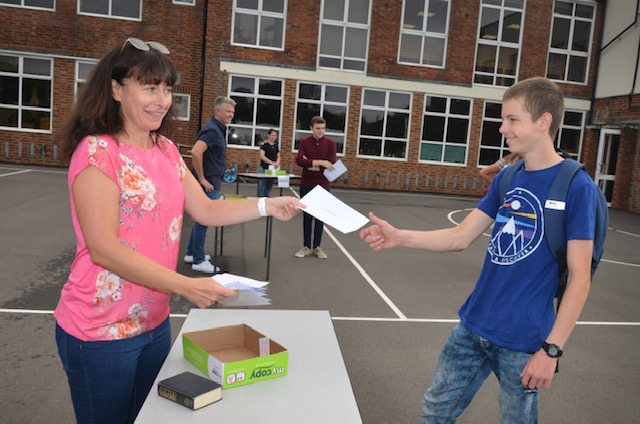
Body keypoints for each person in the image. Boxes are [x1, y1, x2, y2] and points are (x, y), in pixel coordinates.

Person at [55, 38, 302, 424]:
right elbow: (103, 249)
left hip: (153, 325)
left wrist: (265, 205)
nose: (162, 99)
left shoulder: (166, 149)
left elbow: (204, 207)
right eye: (150, 87)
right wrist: (186, 285)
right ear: (117, 89)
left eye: (167, 89)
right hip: (99, 330)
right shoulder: (97, 153)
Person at [360, 77, 598, 423]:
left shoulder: (577, 186)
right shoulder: (507, 178)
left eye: (513, 120)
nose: (503, 129)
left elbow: (580, 277)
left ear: (544, 122)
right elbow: (460, 236)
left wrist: (552, 350)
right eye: (503, 120)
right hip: (472, 327)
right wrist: (400, 236)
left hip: (524, 339)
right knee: (433, 413)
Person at [184, 96, 236, 273]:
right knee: (203, 220)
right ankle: (198, 261)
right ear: (218, 111)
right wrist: (202, 179)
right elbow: (196, 152)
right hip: (208, 184)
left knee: (200, 219)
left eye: (232, 112)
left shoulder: (219, 129)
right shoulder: (213, 130)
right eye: (228, 111)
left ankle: (191, 253)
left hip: (212, 182)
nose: (231, 114)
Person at [294, 116, 337, 259]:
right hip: (307, 184)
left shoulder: (331, 144)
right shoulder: (305, 142)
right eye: (318, 128)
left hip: (323, 185)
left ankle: (317, 247)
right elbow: (300, 161)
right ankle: (306, 246)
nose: (321, 131)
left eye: (323, 128)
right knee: (307, 216)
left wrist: (311, 164)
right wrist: (321, 163)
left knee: (320, 217)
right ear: (311, 128)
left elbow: (332, 164)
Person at [258, 128, 281, 198]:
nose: (274, 137)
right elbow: (262, 156)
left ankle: (267, 200)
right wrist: (271, 163)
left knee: (269, 186)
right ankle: (261, 201)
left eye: (275, 136)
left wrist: (277, 162)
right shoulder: (264, 145)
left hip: (272, 170)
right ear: (268, 135)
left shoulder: (276, 145)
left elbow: (278, 156)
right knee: (262, 187)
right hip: (264, 168)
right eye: (272, 135)